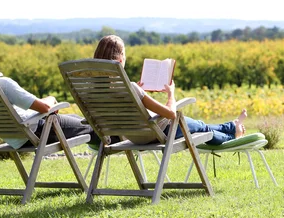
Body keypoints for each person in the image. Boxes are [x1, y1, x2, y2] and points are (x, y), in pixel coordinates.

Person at [93, 35, 247, 145]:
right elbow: (170, 114)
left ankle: (233, 126)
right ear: (120, 60)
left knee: (199, 125)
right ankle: (234, 135)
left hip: (133, 137)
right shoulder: (130, 88)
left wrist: (137, 93)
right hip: (159, 133)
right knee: (202, 128)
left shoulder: (94, 91)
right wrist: (171, 94)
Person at [0, 39, 100, 149]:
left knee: (77, 119)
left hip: (14, 138)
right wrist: (52, 99)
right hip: (36, 133)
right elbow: (44, 107)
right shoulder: (3, 85)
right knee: (95, 128)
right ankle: (117, 146)